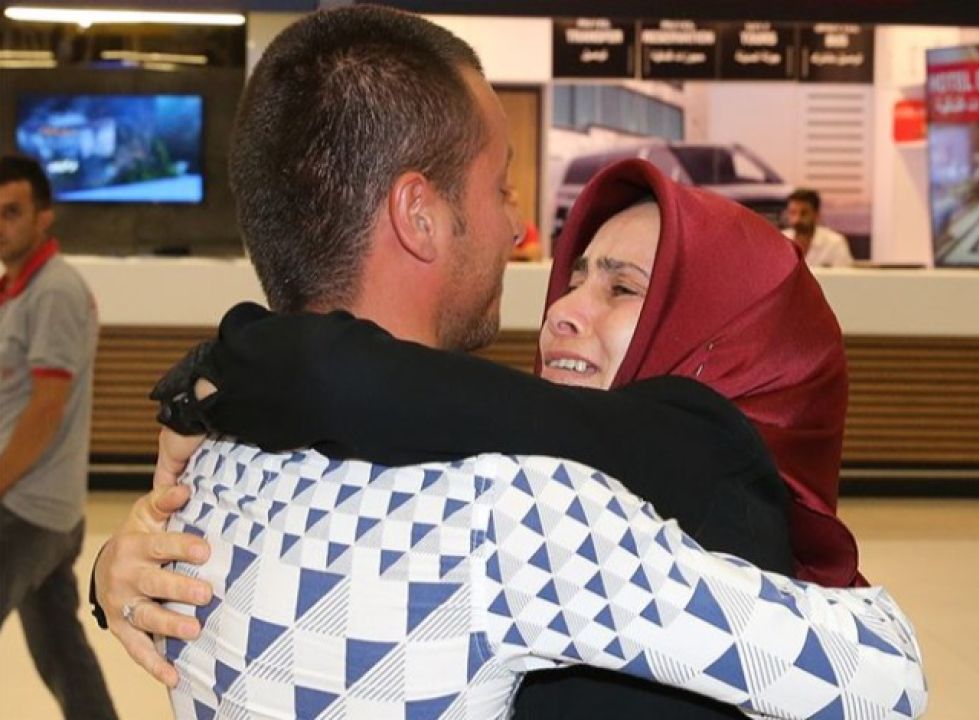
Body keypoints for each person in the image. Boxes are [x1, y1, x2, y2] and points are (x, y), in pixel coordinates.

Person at [90, 7, 925, 719]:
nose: (518, 234)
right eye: (500, 187)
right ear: (419, 214)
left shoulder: (202, 486)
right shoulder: (525, 512)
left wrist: (222, 370)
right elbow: (883, 675)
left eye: (623, 287)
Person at [0, 155, 117, 719]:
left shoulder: (54, 291)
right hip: (47, 507)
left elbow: (47, 408)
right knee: (63, 654)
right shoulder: (17, 289)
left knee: (62, 652)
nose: (1, 225)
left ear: (44, 217)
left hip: (25, 507)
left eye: (12, 212)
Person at [782, 188, 854, 268]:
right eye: (793, 213)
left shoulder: (835, 243)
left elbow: (845, 275)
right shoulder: (780, 241)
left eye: (804, 213)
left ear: (816, 215)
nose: (797, 219)